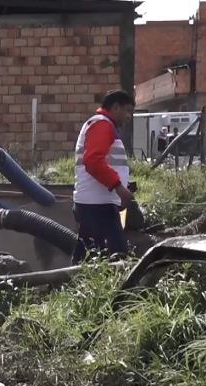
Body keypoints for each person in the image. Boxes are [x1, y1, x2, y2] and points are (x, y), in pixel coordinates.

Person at [71, 90, 135, 263]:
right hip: (98, 207)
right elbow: (93, 161)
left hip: (96, 205)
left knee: (88, 258)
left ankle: (72, 279)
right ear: (115, 107)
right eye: (127, 111)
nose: (128, 117)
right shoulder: (102, 124)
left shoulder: (101, 125)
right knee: (117, 259)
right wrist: (119, 188)